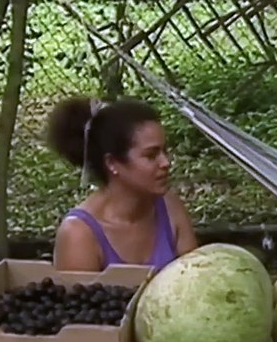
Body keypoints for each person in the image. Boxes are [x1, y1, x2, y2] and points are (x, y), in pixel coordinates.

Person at [46, 97, 198, 272]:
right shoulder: (79, 234)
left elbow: (195, 280)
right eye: (151, 155)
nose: (165, 162)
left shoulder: (171, 209)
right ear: (112, 163)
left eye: (165, 151)